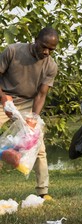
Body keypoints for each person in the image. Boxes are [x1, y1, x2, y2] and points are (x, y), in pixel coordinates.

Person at [0, 27, 59, 200]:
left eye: (51, 49)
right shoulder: (13, 51)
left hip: (27, 104)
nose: (46, 52)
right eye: (44, 46)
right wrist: (4, 99)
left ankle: (43, 191)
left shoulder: (51, 66)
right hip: (4, 97)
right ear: (35, 40)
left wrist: (34, 118)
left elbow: (41, 94)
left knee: (39, 147)